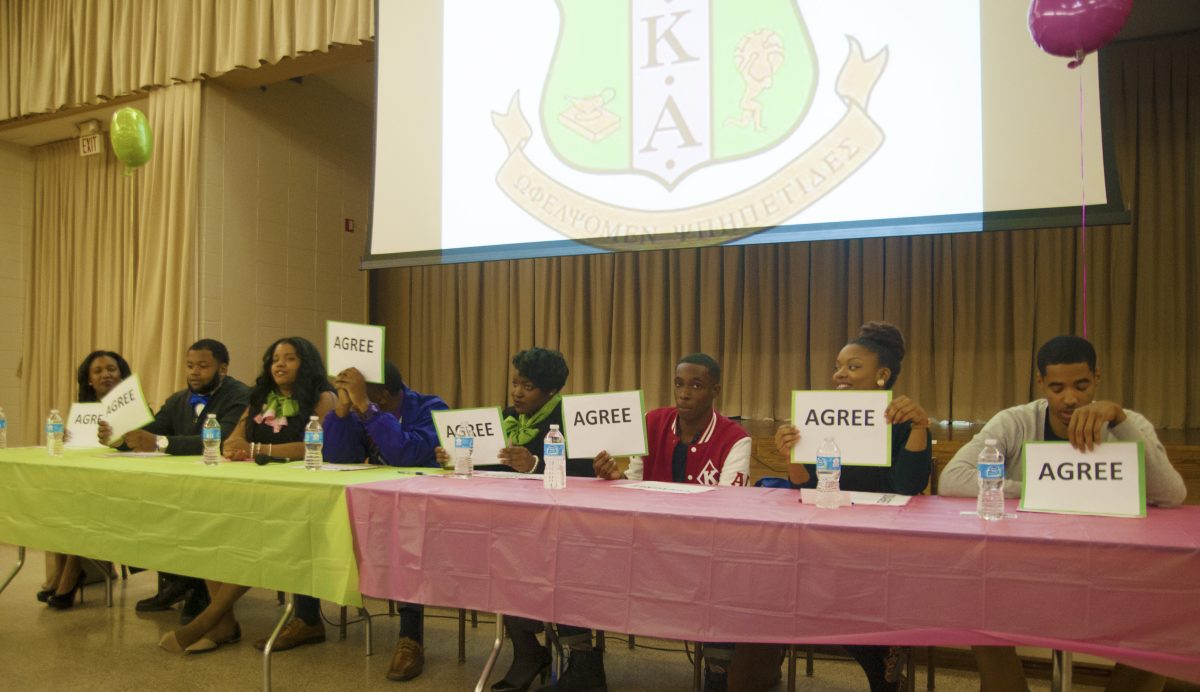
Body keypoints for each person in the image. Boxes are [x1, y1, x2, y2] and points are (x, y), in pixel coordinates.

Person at [940, 335, 1187, 692]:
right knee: (977, 607)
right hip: (1026, 565)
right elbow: (953, 479)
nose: (1070, 398)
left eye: (1081, 385)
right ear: (1041, 384)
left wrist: (1119, 421)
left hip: (1112, 567)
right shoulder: (1015, 422)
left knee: (1162, 619)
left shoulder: (1127, 423)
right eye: (1057, 387)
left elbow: (1172, 494)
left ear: (1097, 378)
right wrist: (1040, 489)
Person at [773, 322, 933, 692]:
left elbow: (906, 488)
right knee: (807, 583)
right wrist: (790, 454)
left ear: (882, 375)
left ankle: (884, 667)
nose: (840, 374)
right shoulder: (822, 415)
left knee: (843, 589)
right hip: (830, 535)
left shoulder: (904, 421)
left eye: (853, 366)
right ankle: (884, 668)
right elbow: (806, 485)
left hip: (885, 540)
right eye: (838, 366)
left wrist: (921, 426)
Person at [158, 336, 336, 654]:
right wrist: (235, 444)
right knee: (213, 531)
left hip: (297, 494)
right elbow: (235, 436)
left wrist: (256, 449)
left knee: (259, 540)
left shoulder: (322, 397)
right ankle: (224, 623)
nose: (279, 364)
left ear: (306, 363)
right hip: (250, 488)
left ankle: (209, 619)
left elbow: (314, 446)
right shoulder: (261, 396)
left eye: (289, 358)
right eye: (275, 358)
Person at [434, 347, 592, 692]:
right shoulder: (505, 418)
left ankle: (583, 661)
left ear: (551, 390)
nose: (517, 393)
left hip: (564, 528)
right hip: (513, 525)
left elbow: (587, 472)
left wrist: (535, 464)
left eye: (528, 386)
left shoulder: (568, 420)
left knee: (560, 574)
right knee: (499, 566)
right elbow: (491, 466)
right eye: (515, 383)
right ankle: (526, 651)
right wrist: (458, 457)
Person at [592, 353, 751, 692]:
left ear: (715, 390)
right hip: (647, 542)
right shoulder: (651, 423)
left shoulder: (735, 438)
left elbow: (730, 505)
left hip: (705, 549)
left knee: (728, 578)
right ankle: (581, 660)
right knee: (582, 554)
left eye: (696, 385)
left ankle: (717, 674)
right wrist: (615, 478)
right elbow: (632, 483)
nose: (684, 393)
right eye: (679, 384)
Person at [289, 361, 447, 682]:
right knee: (309, 517)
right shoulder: (362, 410)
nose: (355, 399)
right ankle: (307, 620)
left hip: (422, 517)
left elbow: (405, 453)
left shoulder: (432, 408)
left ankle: (410, 638)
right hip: (372, 506)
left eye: (363, 392)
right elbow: (338, 456)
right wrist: (344, 412)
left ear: (385, 397)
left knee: (406, 539)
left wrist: (366, 407)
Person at [100, 339, 250, 623]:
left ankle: (199, 589)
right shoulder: (178, 400)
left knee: (200, 522)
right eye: (190, 366)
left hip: (220, 486)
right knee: (145, 509)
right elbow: (150, 433)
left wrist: (159, 442)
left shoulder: (240, 395)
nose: (194, 372)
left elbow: (221, 440)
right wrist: (120, 438)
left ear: (223, 368)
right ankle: (178, 579)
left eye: (203, 366)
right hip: (181, 483)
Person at [38, 350, 132, 609]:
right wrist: (70, 440)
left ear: (122, 374)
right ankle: (61, 568)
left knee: (79, 503)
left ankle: (71, 569)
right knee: (59, 498)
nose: (106, 375)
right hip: (89, 481)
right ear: (89, 380)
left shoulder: (136, 408)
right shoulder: (83, 411)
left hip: (122, 486)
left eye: (112, 369)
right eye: (98, 371)